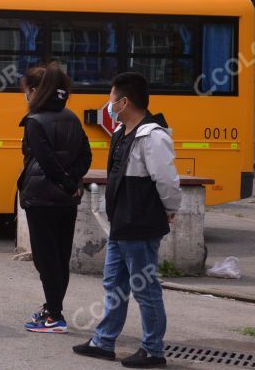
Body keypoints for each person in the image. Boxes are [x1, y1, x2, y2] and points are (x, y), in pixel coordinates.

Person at [73, 72, 182, 368]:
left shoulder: (153, 136)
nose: (108, 104)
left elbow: (167, 180)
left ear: (124, 101)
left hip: (141, 223)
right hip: (121, 223)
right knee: (114, 283)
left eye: (111, 99)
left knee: (145, 289)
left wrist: (171, 208)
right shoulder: (122, 133)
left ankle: (153, 350)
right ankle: (104, 341)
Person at [18, 62, 92, 333]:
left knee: (46, 259)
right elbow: (86, 154)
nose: (26, 96)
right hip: (66, 201)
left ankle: (54, 317)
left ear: (37, 91)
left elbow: (47, 161)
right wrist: (72, 183)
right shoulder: (72, 117)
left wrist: (63, 181)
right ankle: (52, 310)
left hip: (41, 199)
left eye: (27, 91)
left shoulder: (35, 122)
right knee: (60, 257)